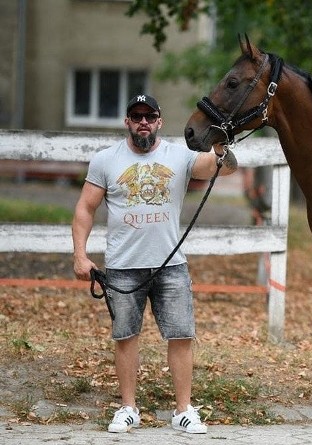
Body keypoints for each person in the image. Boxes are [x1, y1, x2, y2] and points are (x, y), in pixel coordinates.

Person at [72, 94, 237, 434]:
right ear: (127, 121)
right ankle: (128, 408)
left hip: (171, 264)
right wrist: (80, 254)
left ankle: (183, 410)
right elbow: (85, 209)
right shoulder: (106, 160)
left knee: (180, 335)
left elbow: (221, 167)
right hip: (123, 266)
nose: (143, 121)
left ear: (160, 121)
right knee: (126, 336)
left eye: (150, 116)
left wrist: (220, 147)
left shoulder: (179, 155)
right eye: (136, 116)